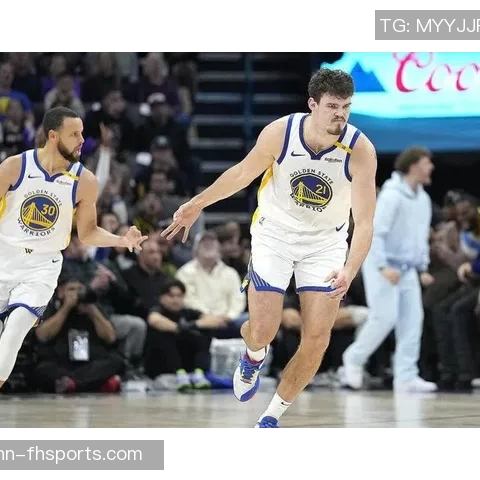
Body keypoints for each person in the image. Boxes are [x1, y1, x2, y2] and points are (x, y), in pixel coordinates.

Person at [162, 68, 378, 428]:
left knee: (317, 338)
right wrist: (197, 204)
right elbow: (240, 174)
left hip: (325, 243)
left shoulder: (360, 150)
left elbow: (366, 222)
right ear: (313, 105)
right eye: (332, 106)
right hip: (274, 233)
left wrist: (350, 269)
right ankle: (253, 355)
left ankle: (272, 416)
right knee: (263, 330)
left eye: (346, 107)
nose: (340, 114)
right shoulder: (281, 133)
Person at [0, 106, 147, 428]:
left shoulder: (84, 181)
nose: (82, 140)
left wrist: (121, 240)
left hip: (43, 264)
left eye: (83, 133)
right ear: (53, 135)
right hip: (1, 257)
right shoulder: (15, 166)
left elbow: (87, 232)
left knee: (15, 333)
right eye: (75, 134)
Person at [340, 147, 438, 392]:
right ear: (414, 165)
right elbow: (376, 233)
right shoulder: (391, 195)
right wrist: (383, 266)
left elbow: (420, 238)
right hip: (381, 265)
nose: (431, 167)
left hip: (407, 269)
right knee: (384, 318)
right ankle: (353, 359)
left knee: (413, 320)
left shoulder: (423, 199)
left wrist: (423, 267)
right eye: (427, 163)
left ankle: (406, 375)